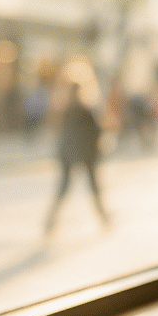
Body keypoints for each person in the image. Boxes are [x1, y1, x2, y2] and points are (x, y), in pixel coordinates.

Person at [45, 82, 110, 233]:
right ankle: (103, 217)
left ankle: (103, 217)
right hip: (80, 155)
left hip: (77, 155)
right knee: (83, 187)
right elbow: (96, 132)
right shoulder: (75, 111)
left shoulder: (70, 111)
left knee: (78, 187)